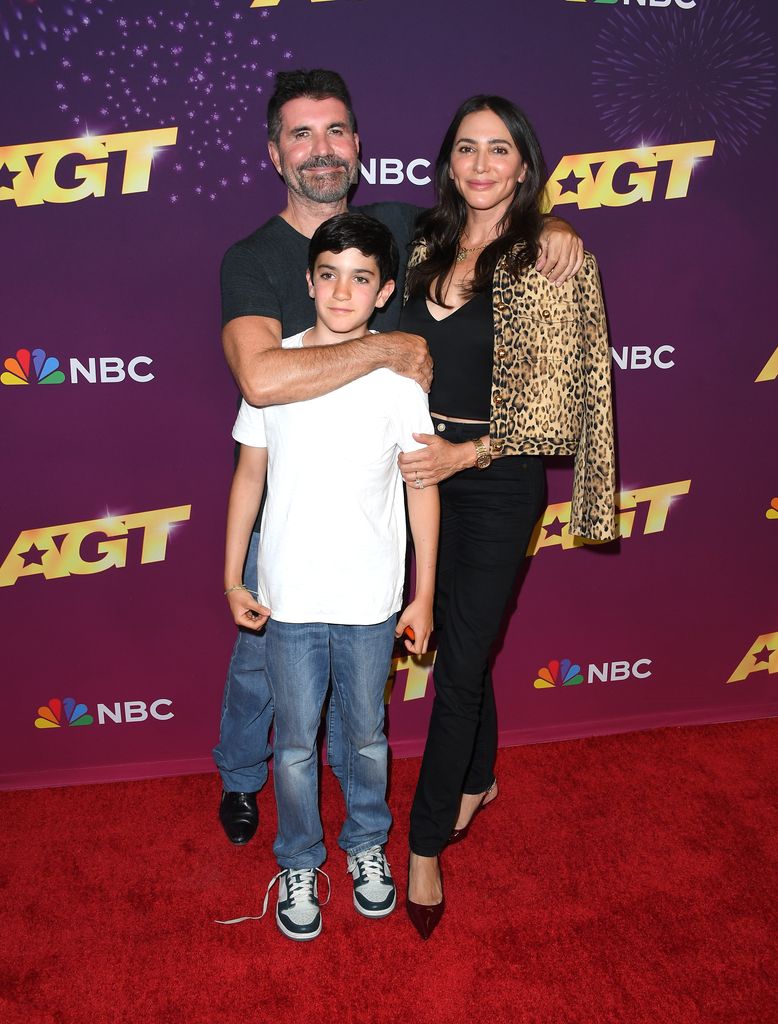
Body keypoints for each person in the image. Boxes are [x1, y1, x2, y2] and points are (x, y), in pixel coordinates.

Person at [214, 68, 585, 846]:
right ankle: (242, 779)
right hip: (287, 499)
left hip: (381, 492)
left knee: (367, 669)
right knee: (263, 669)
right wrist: (385, 346)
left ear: (358, 144)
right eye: (301, 134)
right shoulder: (250, 258)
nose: (321, 149)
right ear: (274, 152)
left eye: (336, 131)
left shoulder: (398, 223)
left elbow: (486, 215)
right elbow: (261, 375)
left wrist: (550, 227)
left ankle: (371, 809)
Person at [397, 95, 617, 939]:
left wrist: (468, 454)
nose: (481, 164)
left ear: (525, 166)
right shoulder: (420, 244)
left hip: (494, 480)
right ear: (448, 161)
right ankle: (479, 776)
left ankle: (422, 849)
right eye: (465, 148)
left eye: (499, 150)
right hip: (417, 478)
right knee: (461, 639)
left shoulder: (552, 260)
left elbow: (560, 408)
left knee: (454, 673)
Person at [222, 212, 439, 941]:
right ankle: (298, 859)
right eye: (328, 274)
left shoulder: (398, 380)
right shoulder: (277, 371)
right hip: (288, 596)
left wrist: (425, 592)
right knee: (292, 743)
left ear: (383, 294)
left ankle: (367, 846)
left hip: (371, 601)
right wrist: (231, 576)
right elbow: (249, 475)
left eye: (361, 278)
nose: (342, 291)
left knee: (366, 735)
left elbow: (421, 486)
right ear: (308, 280)